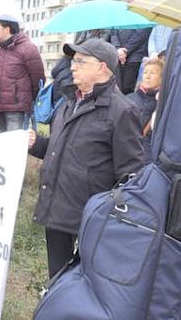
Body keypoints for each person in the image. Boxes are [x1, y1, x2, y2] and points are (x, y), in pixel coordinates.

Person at [28, 38, 144, 279]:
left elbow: (130, 173)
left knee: (87, 281)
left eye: (81, 61)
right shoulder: (68, 103)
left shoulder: (122, 111)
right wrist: (35, 144)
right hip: (57, 207)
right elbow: (58, 149)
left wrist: (109, 215)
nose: (72, 66)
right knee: (57, 276)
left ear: (102, 67)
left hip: (90, 216)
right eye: (73, 61)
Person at [0, 15, 45, 133]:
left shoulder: (28, 48)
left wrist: (29, 100)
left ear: (7, 29)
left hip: (17, 108)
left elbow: (38, 78)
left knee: (14, 145)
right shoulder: (1, 51)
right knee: (1, 144)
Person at [126, 58, 165, 163]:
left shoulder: (163, 104)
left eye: (153, 73)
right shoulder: (128, 98)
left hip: (147, 158)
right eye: (145, 72)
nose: (147, 76)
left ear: (162, 78)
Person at [110, 28, 152, 95]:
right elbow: (114, 32)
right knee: (117, 88)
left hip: (136, 55)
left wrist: (125, 51)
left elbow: (142, 34)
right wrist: (118, 49)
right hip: (118, 55)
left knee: (128, 88)